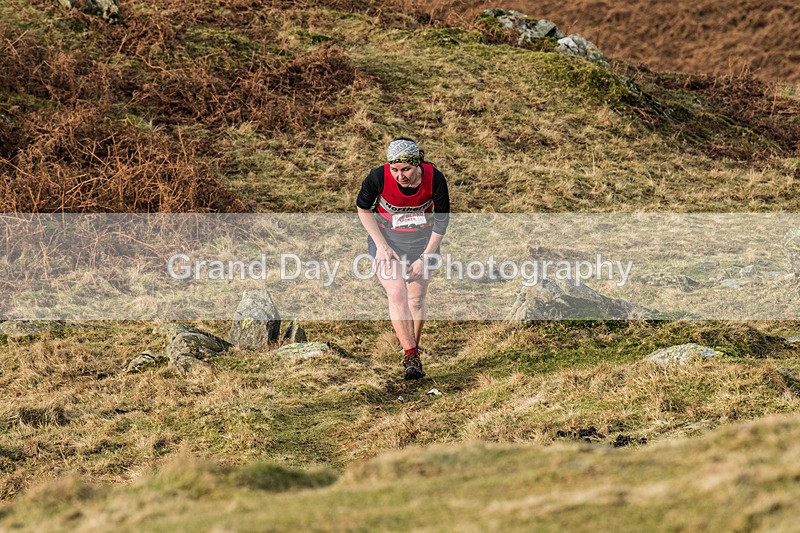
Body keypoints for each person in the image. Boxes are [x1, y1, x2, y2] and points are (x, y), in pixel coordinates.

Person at [356, 138, 450, 380]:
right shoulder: (378, 177)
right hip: (388, 241)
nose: (400, 175)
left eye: (406, 169)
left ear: (417, 163)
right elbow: (363, 208)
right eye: (395, 170)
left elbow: (442, 222)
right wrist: (381, 246)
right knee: (397, 293)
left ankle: (413, 353)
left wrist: (425, 258)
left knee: (416, 300)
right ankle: (410, 355)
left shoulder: (435, 179)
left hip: (423, 242)